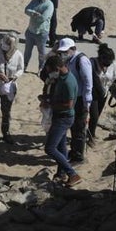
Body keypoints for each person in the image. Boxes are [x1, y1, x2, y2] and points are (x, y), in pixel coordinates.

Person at [40, 53, 82, 187]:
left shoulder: (68, 82)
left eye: (50, 71)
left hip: (64, 118)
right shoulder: (61, 77)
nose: (50, 74)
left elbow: (69, 104)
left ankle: (72, 174)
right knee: (61, 147)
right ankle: (61, 173)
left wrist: (50, 104)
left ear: (57, 68)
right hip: (59, 116)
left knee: (50, 148)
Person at [57, 38, 95, 165]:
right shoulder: (68, 60)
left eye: (66, 51)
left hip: (80, 100)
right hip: (71, 98)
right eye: (62, 52)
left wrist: (86, 104)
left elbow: (88, 83)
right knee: (72, 127)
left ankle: (78, 156)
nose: (63, 54)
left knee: (79, 128)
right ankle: (73, 151)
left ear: (73, 49)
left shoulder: (82, 60)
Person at [0, 33, 24, 146]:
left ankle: (6, 133)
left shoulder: (18, 54)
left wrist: (15, 76)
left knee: (6, 112)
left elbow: (21, 69)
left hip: (9, 89)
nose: (5, 45)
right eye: (5, 42)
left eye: (9, 43)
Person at [88, 44, 116, 144]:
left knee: (97, 115)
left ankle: (91, 131)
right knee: (94, 115)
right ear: (100, 58)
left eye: (110, 63)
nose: (108, 65)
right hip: (93, 93)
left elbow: (114, 77)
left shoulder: (113, 64)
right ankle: (90, 136)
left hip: (104, 93)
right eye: (106, 63)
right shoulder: (92, 63)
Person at [23, 0, 54, 73]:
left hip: (41, 33)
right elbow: (26, 10)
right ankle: (24, 65)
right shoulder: (34, 1)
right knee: (27, 51)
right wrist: (34, 13)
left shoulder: (49, 5)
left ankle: (41, 68)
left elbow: (43, 18)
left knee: (41, 53)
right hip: (30, 31)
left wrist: (33, 14)